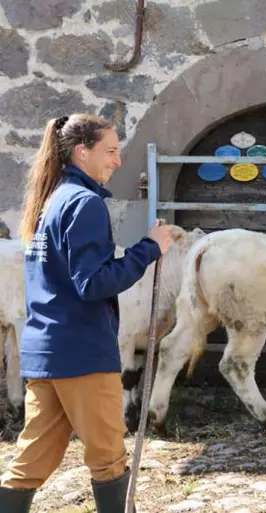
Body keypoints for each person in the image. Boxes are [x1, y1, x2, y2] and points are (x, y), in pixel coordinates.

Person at [0, 113, 174, 512]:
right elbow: (92, 283)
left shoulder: (51, 200)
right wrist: (149, 248)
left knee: (30, 461)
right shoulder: (84, 203)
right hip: (82, 353)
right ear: (83, 151)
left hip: (46, 350)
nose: (117, 161)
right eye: (110, 151)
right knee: (109, 459)